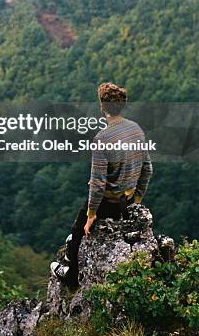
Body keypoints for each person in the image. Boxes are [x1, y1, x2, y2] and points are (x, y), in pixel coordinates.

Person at [50, 82, 153, 289]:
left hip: (109, 201)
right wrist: (136, 201)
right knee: (76, 233)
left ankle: (70, 273)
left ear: (102, 107)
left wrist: (91, 216)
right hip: (128, 199)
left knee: (78, 229)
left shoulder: (102, 139)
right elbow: (147, 169)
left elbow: (97, 184)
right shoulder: (135, 129)